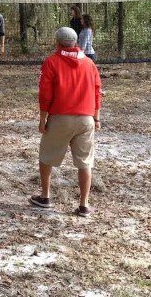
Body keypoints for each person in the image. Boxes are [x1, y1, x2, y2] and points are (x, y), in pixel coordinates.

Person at [30, 27, 102, 216]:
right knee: (85, 163)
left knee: (46, 156)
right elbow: (97, 91)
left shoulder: (51, 62)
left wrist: (42, 118)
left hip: (60, 117)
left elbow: (45, 93)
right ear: (75, 42)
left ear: (57, 42)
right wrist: (96, 118)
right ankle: (84, 205)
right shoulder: (89, 63)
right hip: (86, 119)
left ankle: (45, 196)